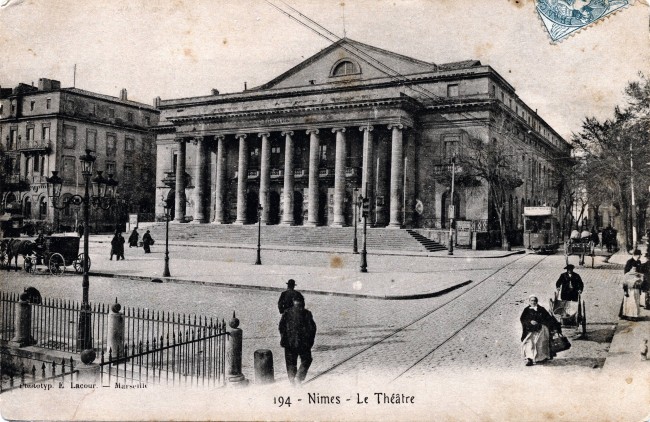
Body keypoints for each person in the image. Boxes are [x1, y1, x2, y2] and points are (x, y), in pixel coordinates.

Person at [279, 297, 317, 384]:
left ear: (293, 303)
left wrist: (284, 339)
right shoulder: (307, 313)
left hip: (289, 343)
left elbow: (281, 327)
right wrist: (310, 342)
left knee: (290, 363)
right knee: (307, 359)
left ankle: (292, 381)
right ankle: (299, 377)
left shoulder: (286, 313)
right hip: (303, 343)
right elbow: (312, 329)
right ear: (302, 303)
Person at [520, 295, 561, 366]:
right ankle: (530, 359)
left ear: (537, 301)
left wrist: (554, 327)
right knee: (529, 344)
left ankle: (541, 358)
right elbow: (523, 319)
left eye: (534, 301)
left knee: (540, 344)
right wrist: (530, 321)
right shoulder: (526, 310)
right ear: (529, 302)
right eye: (531, 301)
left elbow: (548, 318)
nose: (533, 302)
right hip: (530, 331)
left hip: (540, 329)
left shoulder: (541, 309)